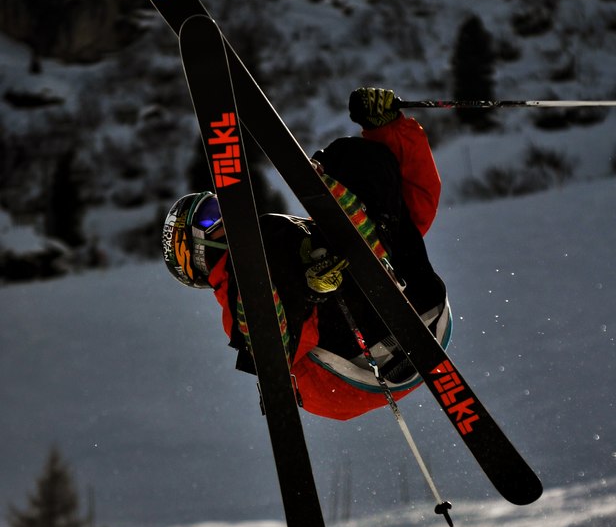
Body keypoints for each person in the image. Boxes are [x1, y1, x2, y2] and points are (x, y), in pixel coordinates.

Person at [162, 88, 452, 421]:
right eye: (210, 215)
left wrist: (388, 130)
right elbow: (273, 354)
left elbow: (412, 215)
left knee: (348, 155)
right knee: (271, 239)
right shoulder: (239, 282)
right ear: (194, 252)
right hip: (346, 375)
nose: (225, 213)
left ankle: (369, 249)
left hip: (420, 310)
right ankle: (362, 255)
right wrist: (310, 294)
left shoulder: (288, 237)